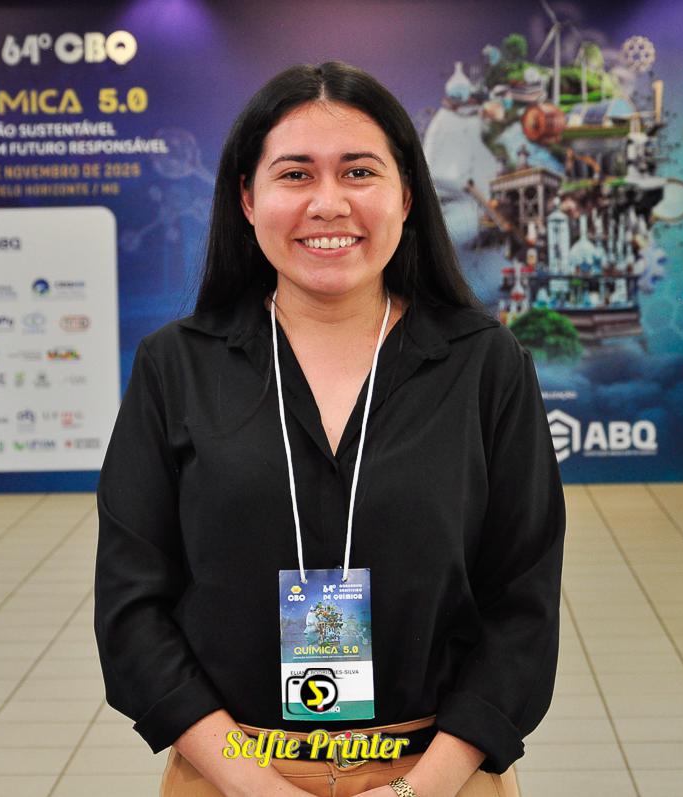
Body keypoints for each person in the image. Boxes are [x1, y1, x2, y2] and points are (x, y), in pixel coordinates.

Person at [95, 61, 565, 797]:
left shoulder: (485, 364)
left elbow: (523, 603)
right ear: (247, 198)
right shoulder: (175, 367)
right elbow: (132, 609)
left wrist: (420, 788)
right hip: (231, 775)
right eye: (294, 175)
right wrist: (257, 788)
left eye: (358, 172)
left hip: (437, 778)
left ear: (406, 195)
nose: (328, 203)